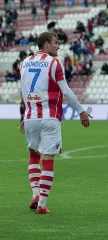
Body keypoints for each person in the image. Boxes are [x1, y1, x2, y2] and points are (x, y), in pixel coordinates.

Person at [20, 32, 91, 214]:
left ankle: (35, 194)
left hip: (30, 117)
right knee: (48, 159)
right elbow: (66, 90)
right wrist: (81, 111)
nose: (58, 46)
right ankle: (42, 204)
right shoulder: (54, 63)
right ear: (45, 44)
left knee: (34, 155)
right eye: (55, 43)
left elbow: (25, 90)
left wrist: (25, 115)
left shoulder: (24, 62)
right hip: (49, 116)